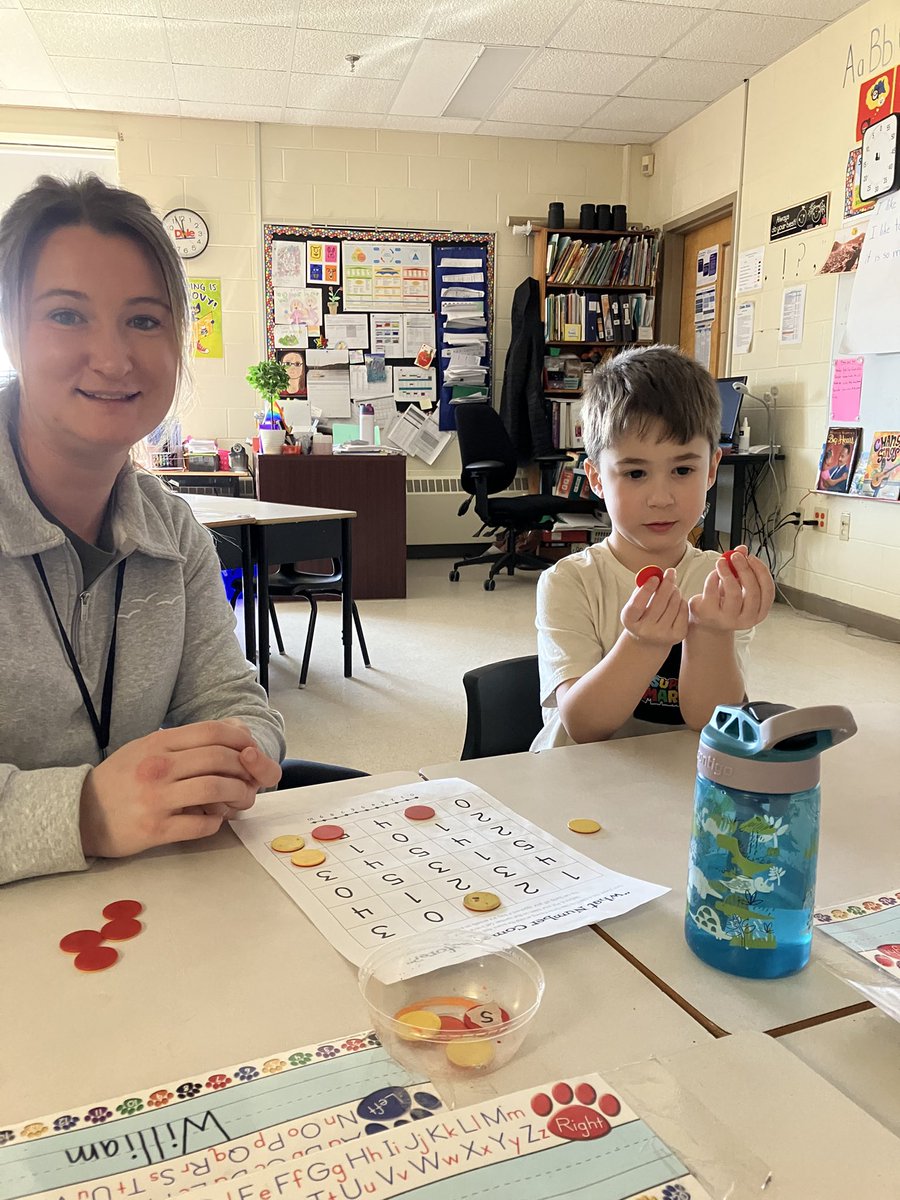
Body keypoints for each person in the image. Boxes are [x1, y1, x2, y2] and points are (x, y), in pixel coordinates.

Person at [0, 174, 290, 886]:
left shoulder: (171, 528)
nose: (113, 358)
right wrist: (85, 812)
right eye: (67, 315)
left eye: (144, 320)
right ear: (10, 332)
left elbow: (230, 699)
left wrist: (243, 749)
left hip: (147, 914)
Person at [532, 346, 775, 749]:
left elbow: (710, 723)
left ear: (712, 469)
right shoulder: (569, 581)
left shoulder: (721, 584)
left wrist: (712, 631)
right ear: (595, 478)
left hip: (680, 782)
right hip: (578, 781)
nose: (661, 498)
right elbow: (585, 727)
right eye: (636, 472)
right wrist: (643, 643)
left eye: (682, 470)